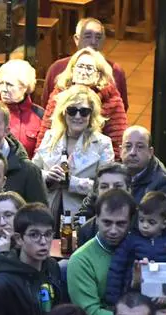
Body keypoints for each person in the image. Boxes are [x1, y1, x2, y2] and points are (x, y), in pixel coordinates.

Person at [0, 204, 71, 315]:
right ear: (19, 239)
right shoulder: (1, 285)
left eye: (48, 234)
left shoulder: (52, 267)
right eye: (34, 235)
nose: (43, 242)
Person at [33, 84, 113, 220]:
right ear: (63, 112)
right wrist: (47, 177)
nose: (77, 116)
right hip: (47, 214)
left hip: (82, 216)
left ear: (91, 114)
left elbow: (107, 187)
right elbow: (32, 172)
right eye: (72, 110)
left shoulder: (102, 144)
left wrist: (72, 183)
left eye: (84, 112)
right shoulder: (50, 137)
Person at [66, 188, 134, 315]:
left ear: (130, 222)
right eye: (107, 223)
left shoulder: (142, 247)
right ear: (96, 219)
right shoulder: (81, 260)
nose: (113, 230)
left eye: (121, 224)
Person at [37, 47, 126, 160]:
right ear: (72, 71)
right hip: (57, 158)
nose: (83, 72)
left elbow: (117, 141)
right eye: (80, 67)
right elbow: (45, 131)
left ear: (98, 75)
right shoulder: (58, 94)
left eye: (89, 68)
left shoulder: (111, 99)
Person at [104, 191, 166, 304]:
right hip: (134, 294)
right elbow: (117, 268)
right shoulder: (130, 240)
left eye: (151, 222)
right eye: (141, 220)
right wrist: (114, 300)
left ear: (164, 223)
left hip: (161, 297)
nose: (145, 225)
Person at [44, 18, 128, 109]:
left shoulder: (115, 71)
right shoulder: (57, 69)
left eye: (98, 37)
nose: (93, 42)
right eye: (88, 36)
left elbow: (122, 109)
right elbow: (46, 106)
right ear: (76, 39)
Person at [0, 59, 44, 157]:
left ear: (25, 87)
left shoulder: (40, 115)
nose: (3, 89)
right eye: (1, 83)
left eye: (9, 84)